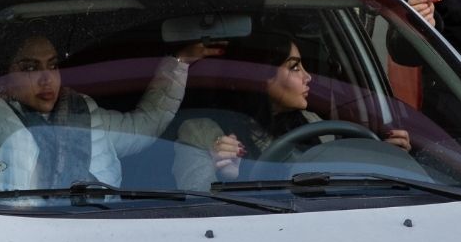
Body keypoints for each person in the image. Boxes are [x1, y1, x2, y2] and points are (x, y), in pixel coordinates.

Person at [0, 33, 221, 193]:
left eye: (53, 65)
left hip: (104, 228)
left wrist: (179, 63)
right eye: (30, 68)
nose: (47, 78)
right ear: (4, 78)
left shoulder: (83, 110)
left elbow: (146, 125)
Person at [173, 31, 411, 191]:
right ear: (261, 77)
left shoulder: (312, 123)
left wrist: (380, 159)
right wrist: (227, 177)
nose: (308, 77)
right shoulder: (200, 132)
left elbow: (338, 184)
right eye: (294, 67)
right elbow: (193, 207)